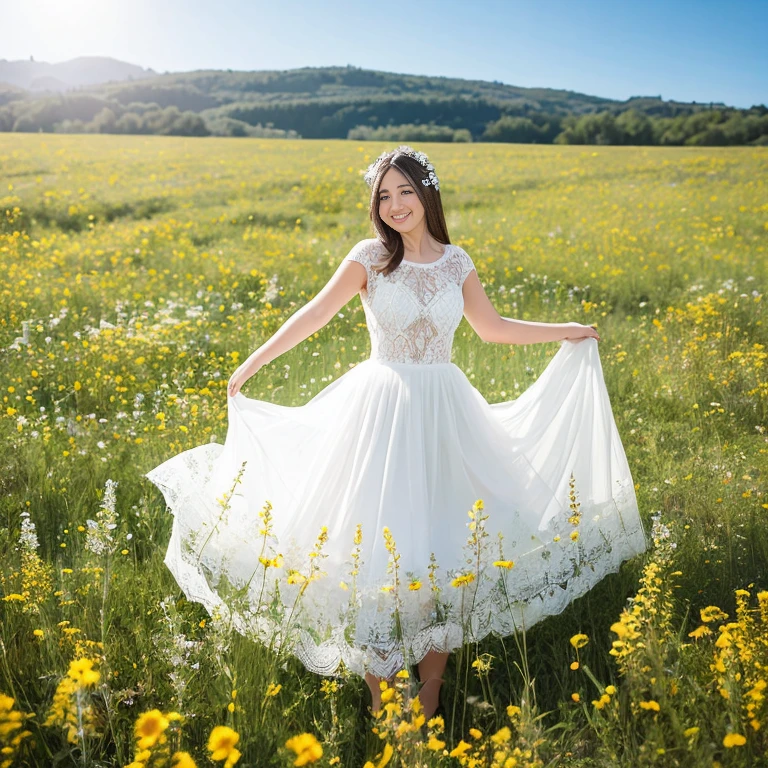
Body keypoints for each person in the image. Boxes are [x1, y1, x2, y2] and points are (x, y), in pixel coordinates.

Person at [145, 145, 646, 722]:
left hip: (445, 414)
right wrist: (250, 365)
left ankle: (430, 690)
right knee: (377, 549)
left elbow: (493, 328)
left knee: (446, 543)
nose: (394, 204)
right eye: (384, 195)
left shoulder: (457, 262)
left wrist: (569, 331)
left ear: (426, 194)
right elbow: (314, 314)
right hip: (380, 412)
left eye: (404, 191)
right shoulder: (369, 259)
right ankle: (383, 697)